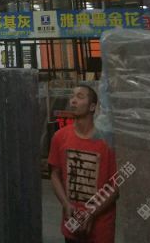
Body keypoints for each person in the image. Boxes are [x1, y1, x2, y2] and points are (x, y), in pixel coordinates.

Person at [48, 84, 118, 243]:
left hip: (101, 229)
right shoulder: (59, 137)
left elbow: (116, 186)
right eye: (72, 96)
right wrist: (65, 204)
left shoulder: (106, 142)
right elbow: (55, 174)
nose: (73, 101)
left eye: (79, 97)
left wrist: (92, 213)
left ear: (92, 106)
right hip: (71, 223)